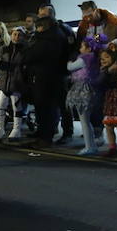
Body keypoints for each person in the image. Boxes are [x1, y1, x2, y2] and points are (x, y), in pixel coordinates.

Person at [22, 16, 69, 147]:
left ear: (43, 27)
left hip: (46, 78)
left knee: (45, 109)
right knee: (47, 109)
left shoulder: (47, 39)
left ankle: (45, 137)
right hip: (51, 77)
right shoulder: (57, 36)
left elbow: (32, 55)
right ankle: (44, 135)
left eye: (38, 27)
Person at [37, 4, 75, 143]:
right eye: (40, 15)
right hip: (47, 73)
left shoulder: (63, 29)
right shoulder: (43, 30)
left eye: (44, 15)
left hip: (60, 73)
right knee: (49, 104)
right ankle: (49, 130)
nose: (41, 18)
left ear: (52, 14)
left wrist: (69, 69)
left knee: (63, 103)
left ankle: (68, 133)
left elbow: (72, 49)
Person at [66, 35, 107, 155]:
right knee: (87, 120)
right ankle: (91, 144)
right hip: (92, 89)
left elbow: (70, 67)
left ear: (89, 48)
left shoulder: (85, 58)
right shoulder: (95, 58)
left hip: (83, 89)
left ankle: (89, 147)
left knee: (84, 120)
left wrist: (68, 60)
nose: (80, 49)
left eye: (82, 46)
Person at [0, 26, 26, 142]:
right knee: (0, 106)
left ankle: (16, 130)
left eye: (19, 35)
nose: (16, 37)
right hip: (4, 81)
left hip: (17, 83)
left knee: (16, 107)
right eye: (14, 34)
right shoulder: (5, 49)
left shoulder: (25, 50)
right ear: (11, 34)